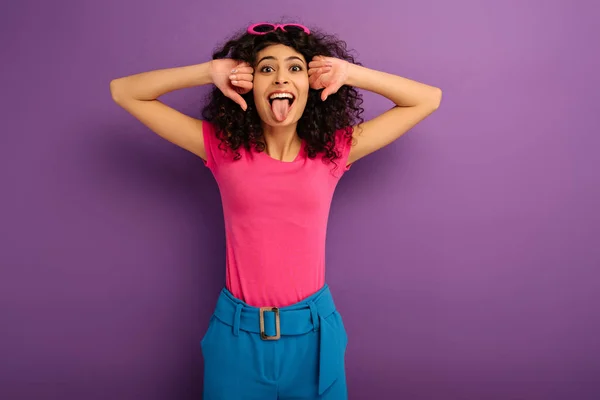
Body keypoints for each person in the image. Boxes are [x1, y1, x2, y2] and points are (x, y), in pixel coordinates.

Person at [110, 21, 441, 400]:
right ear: (249, 85)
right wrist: (209, 70)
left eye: (295, 68)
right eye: (267, 68)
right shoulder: (221, 148)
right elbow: (124, 92)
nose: (281, 78)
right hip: (237, 338)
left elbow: (427, 98)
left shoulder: (334, 151)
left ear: (312, 86)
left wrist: (348, 73)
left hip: (314, 337)